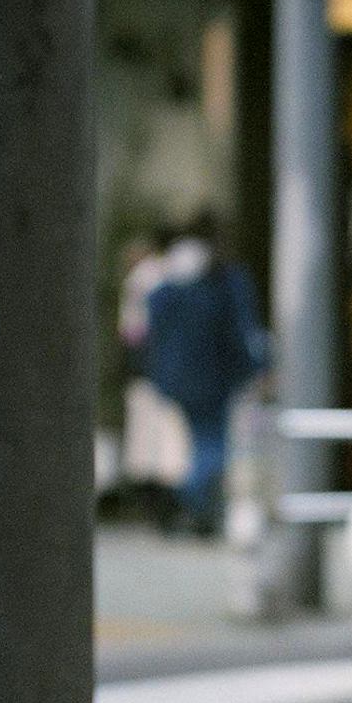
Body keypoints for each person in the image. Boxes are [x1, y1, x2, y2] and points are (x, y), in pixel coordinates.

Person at [143, 212, 268, 535]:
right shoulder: (225, 279)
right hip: (212, 377)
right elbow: (242, 329)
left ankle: (195, 506)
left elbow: (154, 320)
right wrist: (256, 367)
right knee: (212, 446)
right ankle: (187, 500)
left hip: (180, 377)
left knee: (202, 444)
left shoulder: (176, 277)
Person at [118, 227, 188, 528]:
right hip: (162, 370)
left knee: (152, 443)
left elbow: (132, 331)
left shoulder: (145, 280)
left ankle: (159, 508)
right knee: (162, 441)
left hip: (149, 369)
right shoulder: (167, 276)